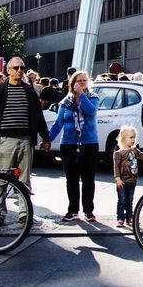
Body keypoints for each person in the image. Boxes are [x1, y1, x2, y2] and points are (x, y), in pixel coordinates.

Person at [0, 57, 52, 195]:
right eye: (16, 68)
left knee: (24, 181)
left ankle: (24, 214)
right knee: (2, 179)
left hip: (26, 139)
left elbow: (38, 116)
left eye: (22, 68)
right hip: (5, 139)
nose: (20, 71)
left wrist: (46, 138)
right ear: (8, 71)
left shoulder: (29, 91)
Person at [50, 70, 100, 223]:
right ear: (72, 83)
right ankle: (73, 210)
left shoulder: (92, 98)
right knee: (71, 179)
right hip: (69, 144)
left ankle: (88, 210)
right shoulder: (65, 102)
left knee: (88, 178)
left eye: (85, 80)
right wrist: (48, 139)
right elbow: (59, 123)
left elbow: (90, 112)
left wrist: (81, 95)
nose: (82, 83)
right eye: (79, 81)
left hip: (88, 143)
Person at [113, 126, 141, 228]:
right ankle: (120, 218)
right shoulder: (118, 153)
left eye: (134, 137)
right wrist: (117, 178)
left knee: (130, 199)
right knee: (122, 199)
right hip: (122, 181)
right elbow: (116, 166)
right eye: (131, 138)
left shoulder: (134, 151)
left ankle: (130, 217)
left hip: (132, 181)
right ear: (124, 138)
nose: (133, 140)